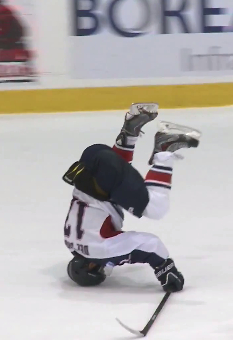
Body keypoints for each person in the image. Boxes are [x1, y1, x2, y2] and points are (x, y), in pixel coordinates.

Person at [62, 103, 200, 293]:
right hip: (92, 160)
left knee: (156, 208)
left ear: (92, 267)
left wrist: (165, 270)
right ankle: (129, 131)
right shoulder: (70, 242)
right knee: (113, 187)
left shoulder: (100, 253)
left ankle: (165, 148)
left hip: (105, 177)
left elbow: (151, 245)